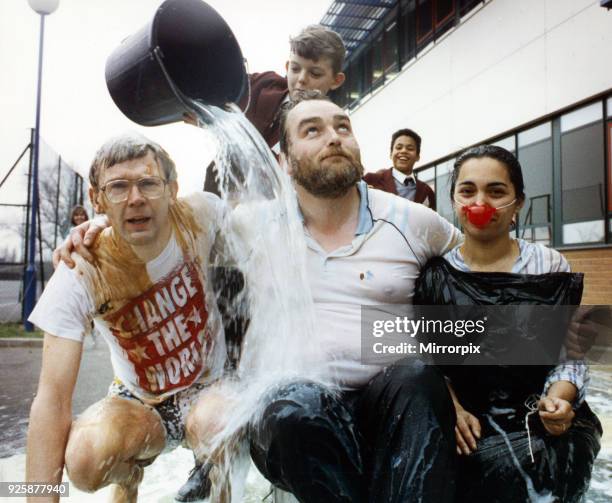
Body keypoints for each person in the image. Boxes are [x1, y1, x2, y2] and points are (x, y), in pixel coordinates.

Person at [26, 133, 227, 503]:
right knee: (85, 460)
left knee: (219, 425)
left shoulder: (201, 214)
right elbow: (51, 399)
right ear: (96, 198)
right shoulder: (81, 269)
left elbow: (267, 231)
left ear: (172, 189)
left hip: (209, 387)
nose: (136, 198)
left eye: (148, 183)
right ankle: (130, 479)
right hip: (140, 401)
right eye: (118, 187)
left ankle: (216, 482)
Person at [414, 145, 602, 502]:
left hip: (537, 413)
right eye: (467, 190)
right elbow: (429, 360)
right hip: (466, 420)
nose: (479, 202)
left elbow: (569, 353)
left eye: (496, 191)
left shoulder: (549, 267)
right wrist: (450, 408)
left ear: (518, 204)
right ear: (453, 200)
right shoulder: (434, 278)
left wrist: (559, 399)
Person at [203, 24, 346, 193]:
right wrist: (209, 116)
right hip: (219, 195)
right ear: (287, 67)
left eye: (315, 74)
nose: (301, 79)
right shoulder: (262, 86)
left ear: (336, 80)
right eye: (295, 68)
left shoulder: (334, 133)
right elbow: (216, 80)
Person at [363, 128, 436, 209]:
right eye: (398, 147)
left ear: (418, 156)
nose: (404, 151)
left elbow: (430, 220)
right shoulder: (371, 180)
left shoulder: (426, 191)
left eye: (410, 148)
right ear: (391, 154)